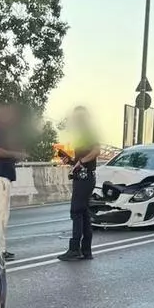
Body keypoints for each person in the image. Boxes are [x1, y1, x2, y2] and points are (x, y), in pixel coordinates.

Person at [0, 102, 27, 261]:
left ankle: (1, 249)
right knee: (1, 215)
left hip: (1, 176)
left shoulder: (0, 129)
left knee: (2, 215)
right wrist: (16, 154)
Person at [57, 106, 101, 261]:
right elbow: (81, 161)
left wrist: (81, 161)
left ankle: (75, 249)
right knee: (83, 214)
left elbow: (96, 151)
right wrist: (70, 161)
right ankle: (86, 251)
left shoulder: (89, 132)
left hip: (85, 178)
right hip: (82, 177)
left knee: (76, 211)